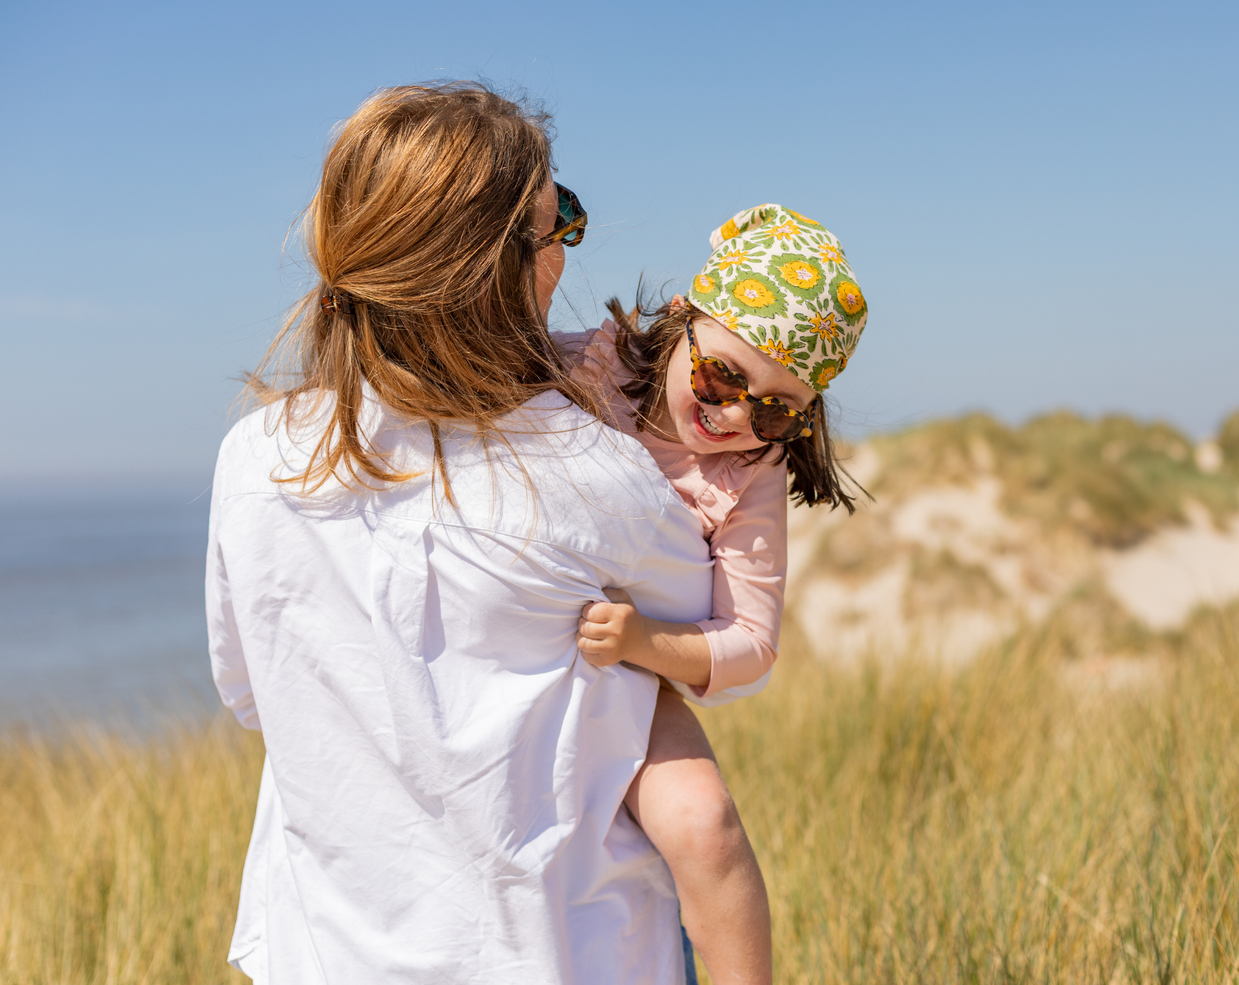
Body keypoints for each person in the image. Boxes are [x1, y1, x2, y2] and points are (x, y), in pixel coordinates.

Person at [207, 82, 716, 983]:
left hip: (320, 953)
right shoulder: (595, 476)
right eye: (558, 218)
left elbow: (250, 696)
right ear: (498, 269)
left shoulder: (257, 459)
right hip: (566, 953)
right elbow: (701, 647)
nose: (567, 244)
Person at [560, 204, 868, 985]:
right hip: (521, 649)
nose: (734, 414)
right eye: (723, 375)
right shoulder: (584, 371)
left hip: (634, 675)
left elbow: (752, 644)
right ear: (681, 318)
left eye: (775, 408)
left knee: (707, 826)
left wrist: (643, 645)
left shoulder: (749, 475)